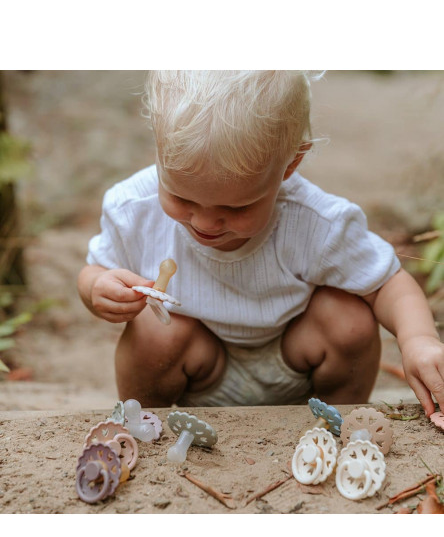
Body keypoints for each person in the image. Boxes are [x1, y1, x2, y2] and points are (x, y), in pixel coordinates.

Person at [77, 70, 444, 417]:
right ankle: (144, 424)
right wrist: (98, 288)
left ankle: (338, 424)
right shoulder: (133, 208)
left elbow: (388, 283)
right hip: (199, 369)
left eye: (236, 206)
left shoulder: (317, 222)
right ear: (159, 151)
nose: (205, 222)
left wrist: (419, 340)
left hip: (297, 363)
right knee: (151, 328)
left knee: (349, 318)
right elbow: (96, 270)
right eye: (182, 198)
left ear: (289, 165)